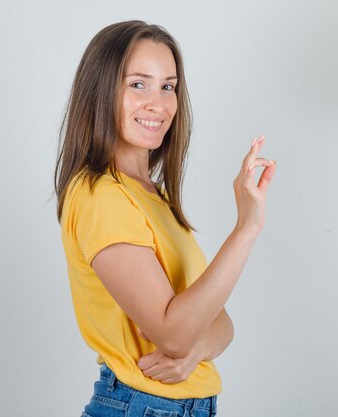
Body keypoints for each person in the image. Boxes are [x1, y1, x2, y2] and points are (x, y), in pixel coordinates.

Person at [54, 20, 276, 417]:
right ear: (101, 91)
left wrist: (194, 350)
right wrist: (246, 228)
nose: (158, 103)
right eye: (138, 84)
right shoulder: (101, 196)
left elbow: (221, 324)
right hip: (139, 406)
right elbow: (175, 332)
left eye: (168, 86)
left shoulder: (156, 198)